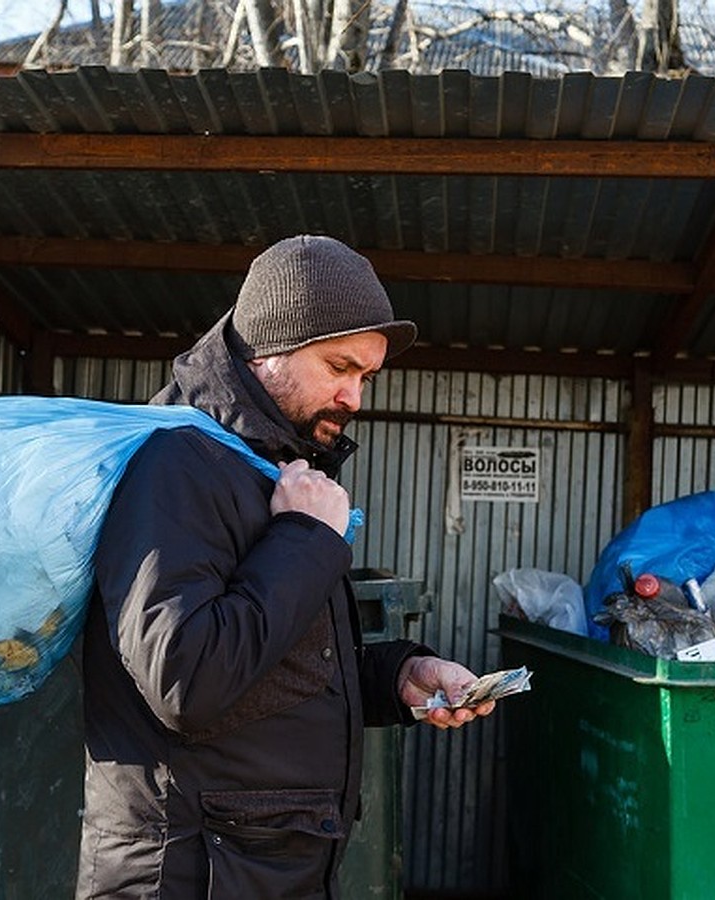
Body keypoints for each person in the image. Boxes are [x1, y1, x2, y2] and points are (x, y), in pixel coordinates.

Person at [75, 235, 495, 899]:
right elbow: (186, 677)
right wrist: (303, 536)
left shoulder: (264, 467)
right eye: (338, 367)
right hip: (191, 873)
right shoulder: (177, 463)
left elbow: (282, 657)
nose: (354, 397)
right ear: (268, 348)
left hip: (254, 866)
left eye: (365, 377)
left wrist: (400, 677)